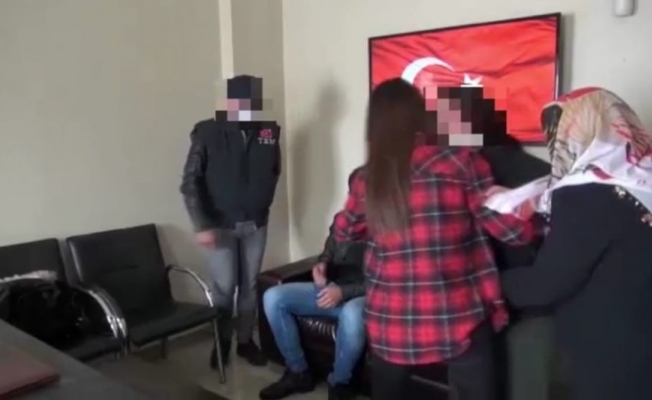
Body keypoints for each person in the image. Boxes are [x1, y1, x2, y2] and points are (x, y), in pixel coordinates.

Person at [328, 78, 540, 400]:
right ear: (423, 117)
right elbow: (511, 232)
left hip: (391, 323)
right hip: (457, 318)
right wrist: (532, 208)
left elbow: (344, 232)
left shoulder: (367, 179)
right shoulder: (461, 163)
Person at [494, 87, 652, 400]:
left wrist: (486, 281)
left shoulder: (586, 195)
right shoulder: (639, 179)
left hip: (611, 350)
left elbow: (546, 284)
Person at [180, 75, 281, 368]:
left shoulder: (268, 131)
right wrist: (202, 224)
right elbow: (189, 182)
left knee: (250, 286)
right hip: (219, 225)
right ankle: (221, 342)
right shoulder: (207, 132)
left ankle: (245, 341)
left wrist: (263, 203)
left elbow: (274, 170)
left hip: (256, 223)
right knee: (225, 287)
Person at [259, 169, 366, 400]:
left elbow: (386, 281)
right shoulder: (342, 219)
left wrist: (343, 292)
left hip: (365, 297)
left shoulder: (391, 227)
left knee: (352, 312)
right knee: (273, 297)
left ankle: (339, 384)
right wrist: (321, 265)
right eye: (353, 193)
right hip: (332, 288)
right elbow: (328, 250)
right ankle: (298, 372)